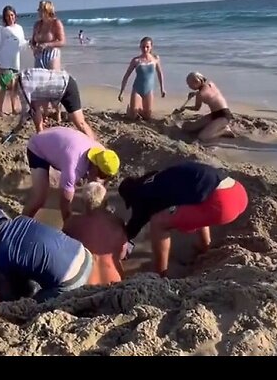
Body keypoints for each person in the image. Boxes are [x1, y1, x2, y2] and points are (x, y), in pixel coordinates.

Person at [118, 159, 248, 274]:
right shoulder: (155, 179)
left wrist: (124, 238)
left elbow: (137, 222)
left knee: (158, 223)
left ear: (131, 197)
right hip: (237, 192)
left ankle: (160, 273)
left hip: (221, 204)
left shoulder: (141, 194)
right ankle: (204, 246)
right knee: (195, 200)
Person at [0, 207, 94, 297]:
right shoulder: (23, 219)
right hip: (85, 255)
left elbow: (20, 288)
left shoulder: (2, 255)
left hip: (71, 283)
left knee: (33, 304)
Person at [23, 128, 120, 221]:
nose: (102, 180)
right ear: (95, 166)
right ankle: (20, 224)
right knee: (40, 197)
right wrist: (69, 225)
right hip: (38, 147)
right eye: (101, 176)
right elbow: (65, 203)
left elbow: (101, 184)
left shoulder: (103, 154)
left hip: (59, 140)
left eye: (107, 177)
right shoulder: (74, 169)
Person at [63, 182, 127, 285]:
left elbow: (62, 254)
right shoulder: (117, 222)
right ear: (105, 202)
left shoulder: (72, 223)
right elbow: (122, 254)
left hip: (83, 285)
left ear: (83, 203)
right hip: (114, 282)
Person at [7, 68, 94, 139]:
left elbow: (26, 111)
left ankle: (94, 144)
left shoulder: (23, 86)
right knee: (34, 105)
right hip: (57, 86)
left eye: (8, 89)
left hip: (66, 86)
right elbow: (32, 108)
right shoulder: (23, 75)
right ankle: (40, 134)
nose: (9, 92)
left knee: (80, 122)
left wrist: (17, 128)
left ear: (11, 84)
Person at [175, 73, 233, 141]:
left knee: (203, 137)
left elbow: (197, 108)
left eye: (190, 84)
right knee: (192, 127)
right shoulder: (210, 84)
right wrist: (195, 94)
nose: (189, 86)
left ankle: (224, 131)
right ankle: (216, 126)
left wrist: (185, 107)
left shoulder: (200, 94)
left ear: (197, 81)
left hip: (223, 116)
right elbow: (210, 93)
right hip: (214, 114)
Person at [119, 37, 166, 121]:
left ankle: (137, 107)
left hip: (149, 90)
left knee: (147, 116)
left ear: (151, 47)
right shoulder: (136, 60)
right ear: (140, 47)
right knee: (132, 116)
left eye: (147, 47)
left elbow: (160, 73)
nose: (145, 49)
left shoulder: (155, 59)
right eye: (143, 47)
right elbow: (127, 75)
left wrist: (162, 89)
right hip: (137, 89)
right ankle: (131, 109)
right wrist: (121, 92)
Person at [0, 6, 27, 116]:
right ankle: (0, 110)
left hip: (15, 62)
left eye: (12, 15)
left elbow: (22, 44)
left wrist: (32, 43)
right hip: (4, 62)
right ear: (4, 17)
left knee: (15, 87)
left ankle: (14, 109)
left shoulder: (19, 28)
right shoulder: (0, 29)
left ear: (15, 16)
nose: (10, 17)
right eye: (7, 15)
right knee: (5, 86)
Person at [31, 0, 66, 70]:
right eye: (39, 10)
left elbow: (62, 42)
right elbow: (33, 42)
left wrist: (47, 44)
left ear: (47, 10)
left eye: (41, 10)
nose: (39, 12)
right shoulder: (37, 24)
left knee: (53, 78)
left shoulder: (56, 23)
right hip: (39, 56)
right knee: (38, 79)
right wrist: (34, 49)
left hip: (52, 54)